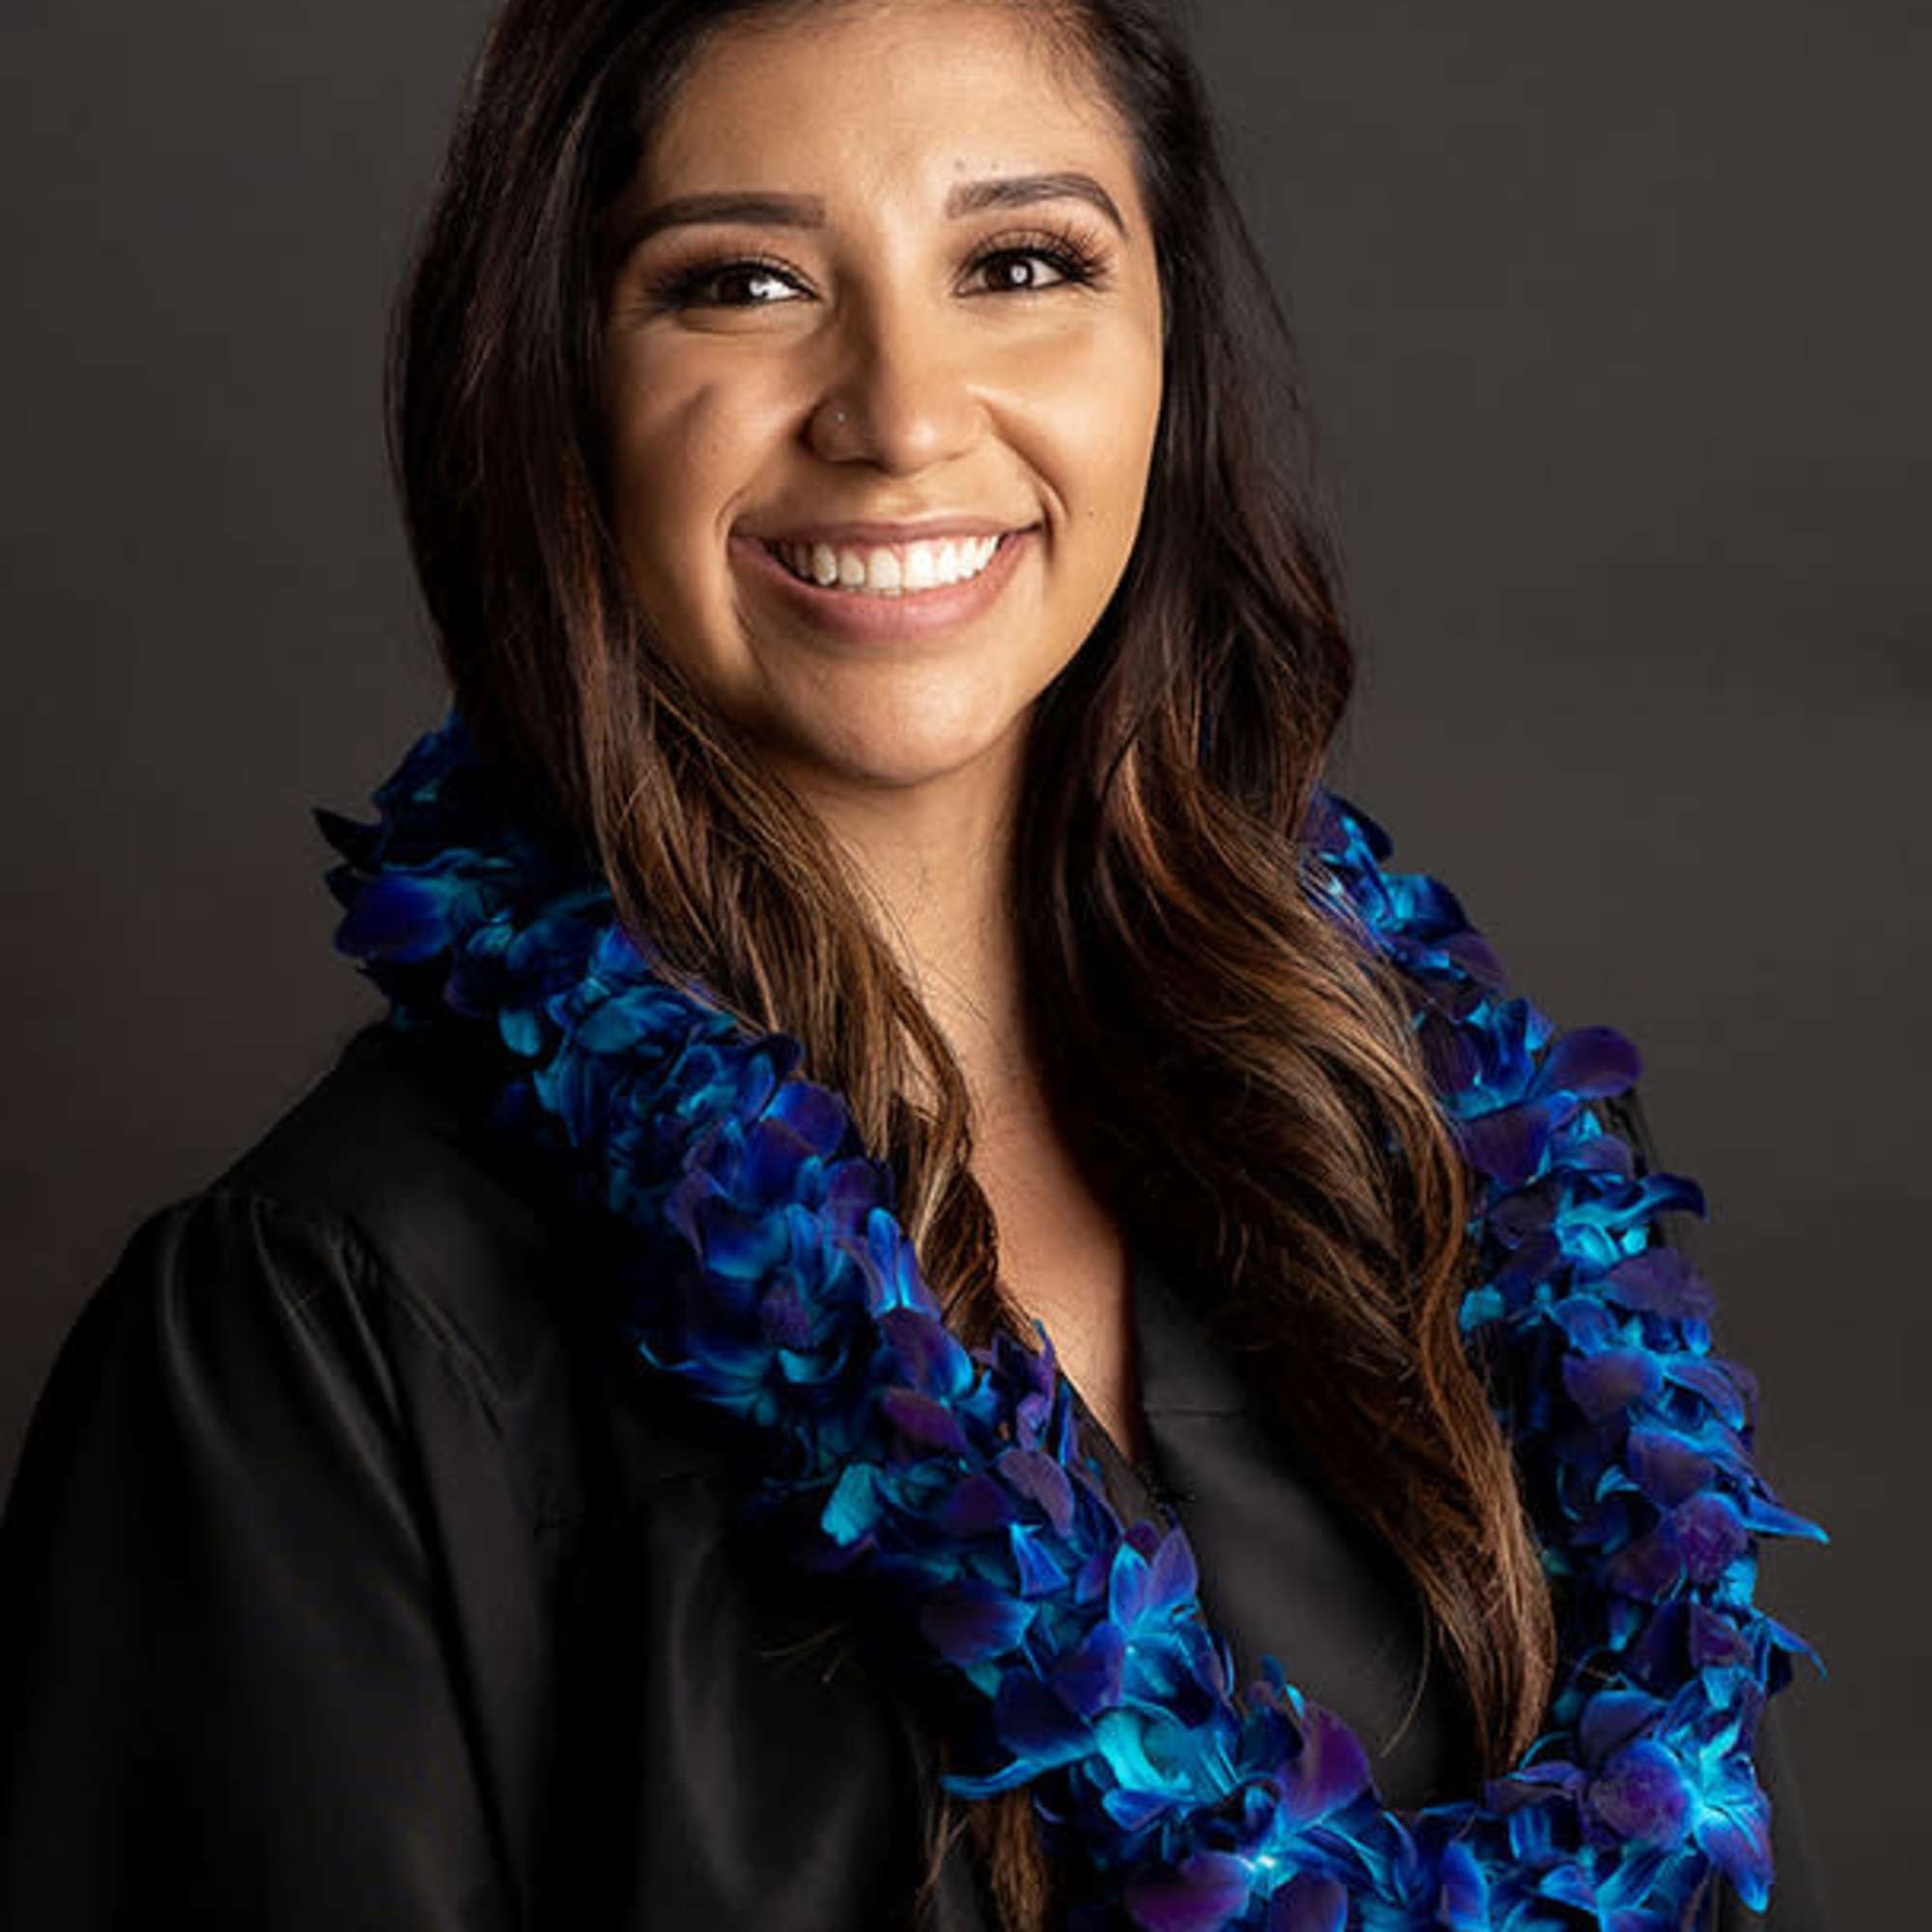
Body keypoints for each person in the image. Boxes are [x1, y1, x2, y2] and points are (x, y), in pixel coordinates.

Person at [0, 1, 1829, 1927]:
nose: (899, 414)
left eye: (1018, 264)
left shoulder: (1441, 1182)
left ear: (1160, 356)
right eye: (746, 282)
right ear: (553, 377)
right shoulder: (331, 1344)